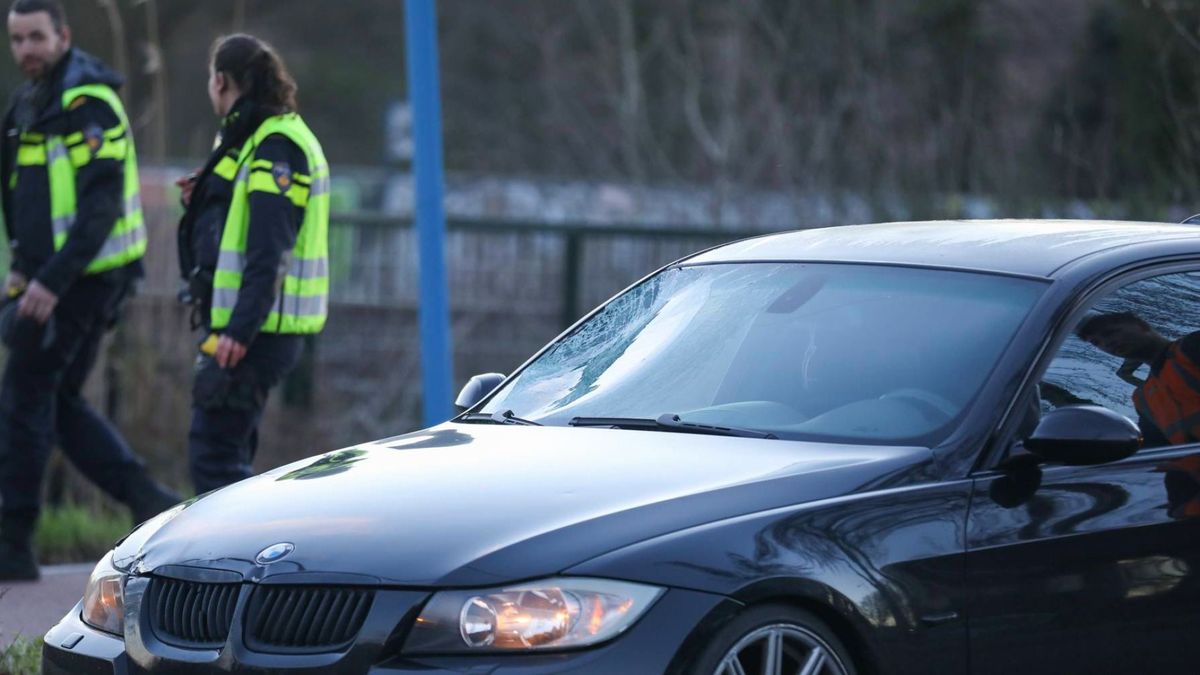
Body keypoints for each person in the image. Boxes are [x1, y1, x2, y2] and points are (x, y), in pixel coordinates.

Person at [0, 0, 178, 580]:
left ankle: (13, 545)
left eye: (36, 37)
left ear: (63, 36)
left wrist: (49, 282)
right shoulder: (30, 102)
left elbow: (99, 208)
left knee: (24, 395)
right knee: (57, 401)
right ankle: (151, 501)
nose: (26, 49)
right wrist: (23, 268)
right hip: (50, 278)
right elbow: (22, 199)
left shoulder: (87, 103)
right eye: (17, 39)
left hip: (84, 279)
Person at [176, 34, 329, 495]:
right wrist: (203, 197)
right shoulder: (254, 137)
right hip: (255, 328)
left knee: (214, 460)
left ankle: (259, 542)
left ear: (220, 81)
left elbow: (270, 248)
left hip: (257, 331)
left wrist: (239, 331)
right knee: (228, 458)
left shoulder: (275, 145)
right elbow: (242, 221)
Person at [1076, 311, 1200, 448]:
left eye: (1110, 333)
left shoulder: (1192, 346)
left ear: (1142, 326)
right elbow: (1152, 448)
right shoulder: (1143, 399)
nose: (1106, 344)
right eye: (1096, 343)